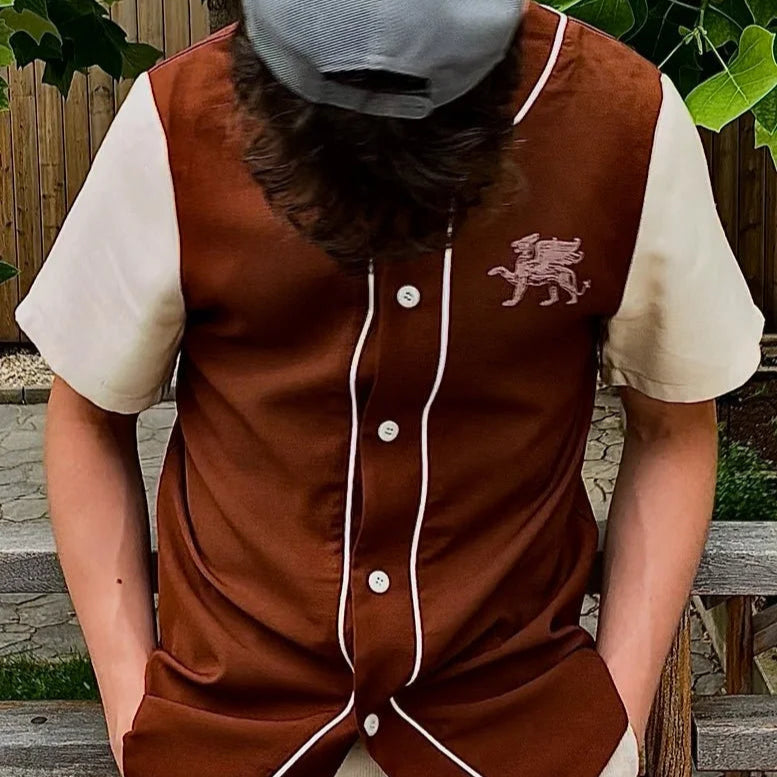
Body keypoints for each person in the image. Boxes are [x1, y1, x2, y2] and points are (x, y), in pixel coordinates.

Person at [13, 0, 765, 775]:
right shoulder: (171, 125)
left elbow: (672, 424)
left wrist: (620, 713)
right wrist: (128, 705)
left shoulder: (625, 120)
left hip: (526, 736)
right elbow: (88, 415)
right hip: (226, 737)